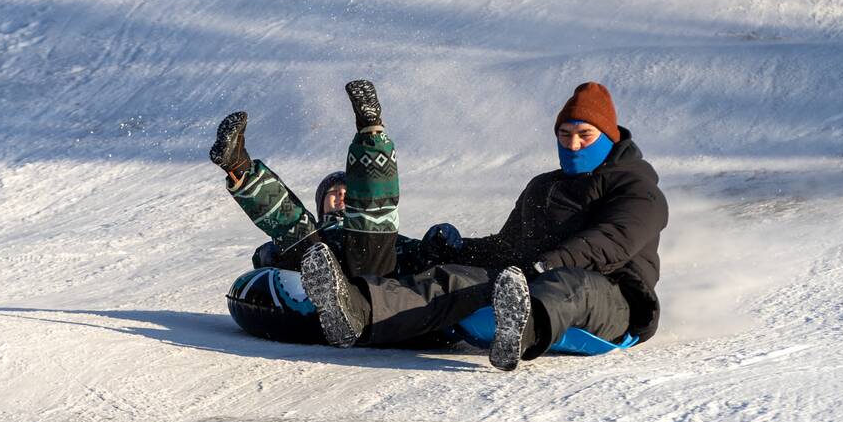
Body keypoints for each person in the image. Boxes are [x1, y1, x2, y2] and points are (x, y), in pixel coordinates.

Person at [301, 81, 669, 371]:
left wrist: (547, 265)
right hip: (531, 284)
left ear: (607, 138)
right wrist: (459, 250)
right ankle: (358, 312)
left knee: (569, 284)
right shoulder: (544, 187)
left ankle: (518, 333)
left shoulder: (637, 187)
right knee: (456, 279)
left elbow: (612, 240)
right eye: (564, 135)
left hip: (614, 299)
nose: (572, 145)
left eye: (584, 136)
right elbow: (509, 248)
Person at [209, 80, 430, 277]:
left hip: (371, 278)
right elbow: (263, 260)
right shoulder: (317, 235)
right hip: (318, 275)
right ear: (320, 204)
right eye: (333, 193)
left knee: (374, 220)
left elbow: (418, 253)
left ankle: (371, 129)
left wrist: (437, 244)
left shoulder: (387, 238)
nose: (341, 197)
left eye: (346, 193)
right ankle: (237, 165)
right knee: (296, 228)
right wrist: (269, 253)